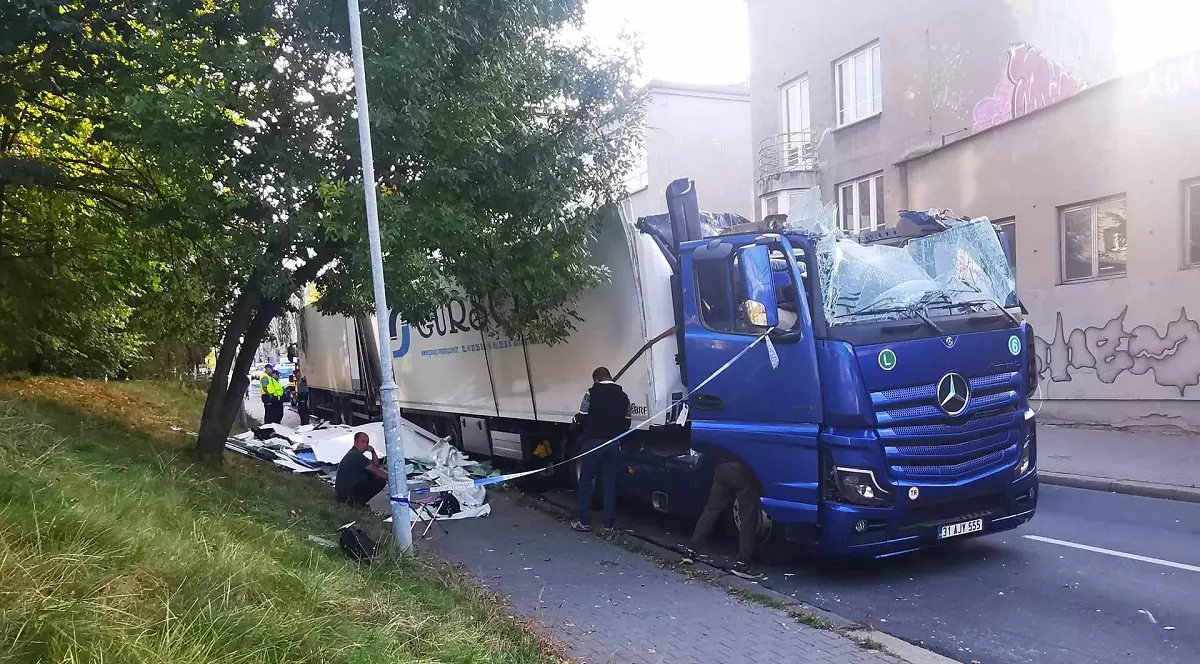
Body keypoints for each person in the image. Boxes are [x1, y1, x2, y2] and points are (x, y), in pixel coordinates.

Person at [683, 454, 764, 580]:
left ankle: (691, 551)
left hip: (721, 467)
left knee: (711, 510)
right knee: (747, 517)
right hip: (742, 468)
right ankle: (742, 563)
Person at [570, 367, 630, 533]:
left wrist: (576, 422)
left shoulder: (591, 394)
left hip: (593, 443)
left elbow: (582, 416)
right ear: (609, 377)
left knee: (586, 482)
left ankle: (585, 522)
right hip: (613, 444)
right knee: (609, 483)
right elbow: (627, 421)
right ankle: (608, 525)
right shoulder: (624, 397)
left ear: (595, 379)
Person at [335, 431, 389, 506]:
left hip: (344, 493)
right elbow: (376, 470)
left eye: (367, 442)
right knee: (380, 481)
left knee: (374, 476)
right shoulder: (355, 455)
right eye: (363, 442)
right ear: (356, 442)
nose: (365, 445)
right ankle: (357, 503)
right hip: (347, 495)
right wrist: (392, 478)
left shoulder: (355, 454)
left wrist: (373, 452)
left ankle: (357, 502)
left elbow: (376, 466)